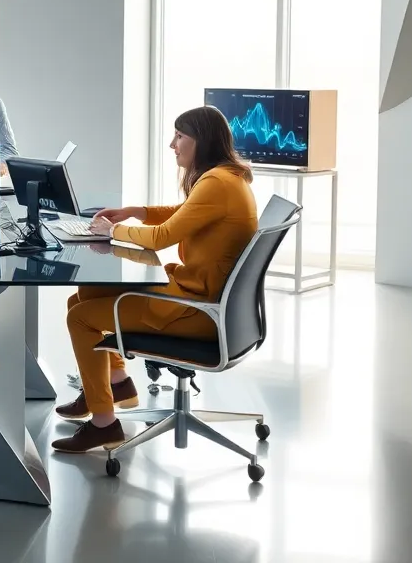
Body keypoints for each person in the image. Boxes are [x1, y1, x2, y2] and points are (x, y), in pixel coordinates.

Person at [49, 105, 257, 454]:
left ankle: (104, 425)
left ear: (200, 141)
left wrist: (114, 230)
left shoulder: (217, 182)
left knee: (79, 316)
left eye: (180, 136)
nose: (172, 144)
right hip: (202, 299)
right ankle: (117, 384)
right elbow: (183, 214)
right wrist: (136, 212)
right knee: (84, 294)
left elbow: (162, 237)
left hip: (197, 312)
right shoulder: (223, 179)